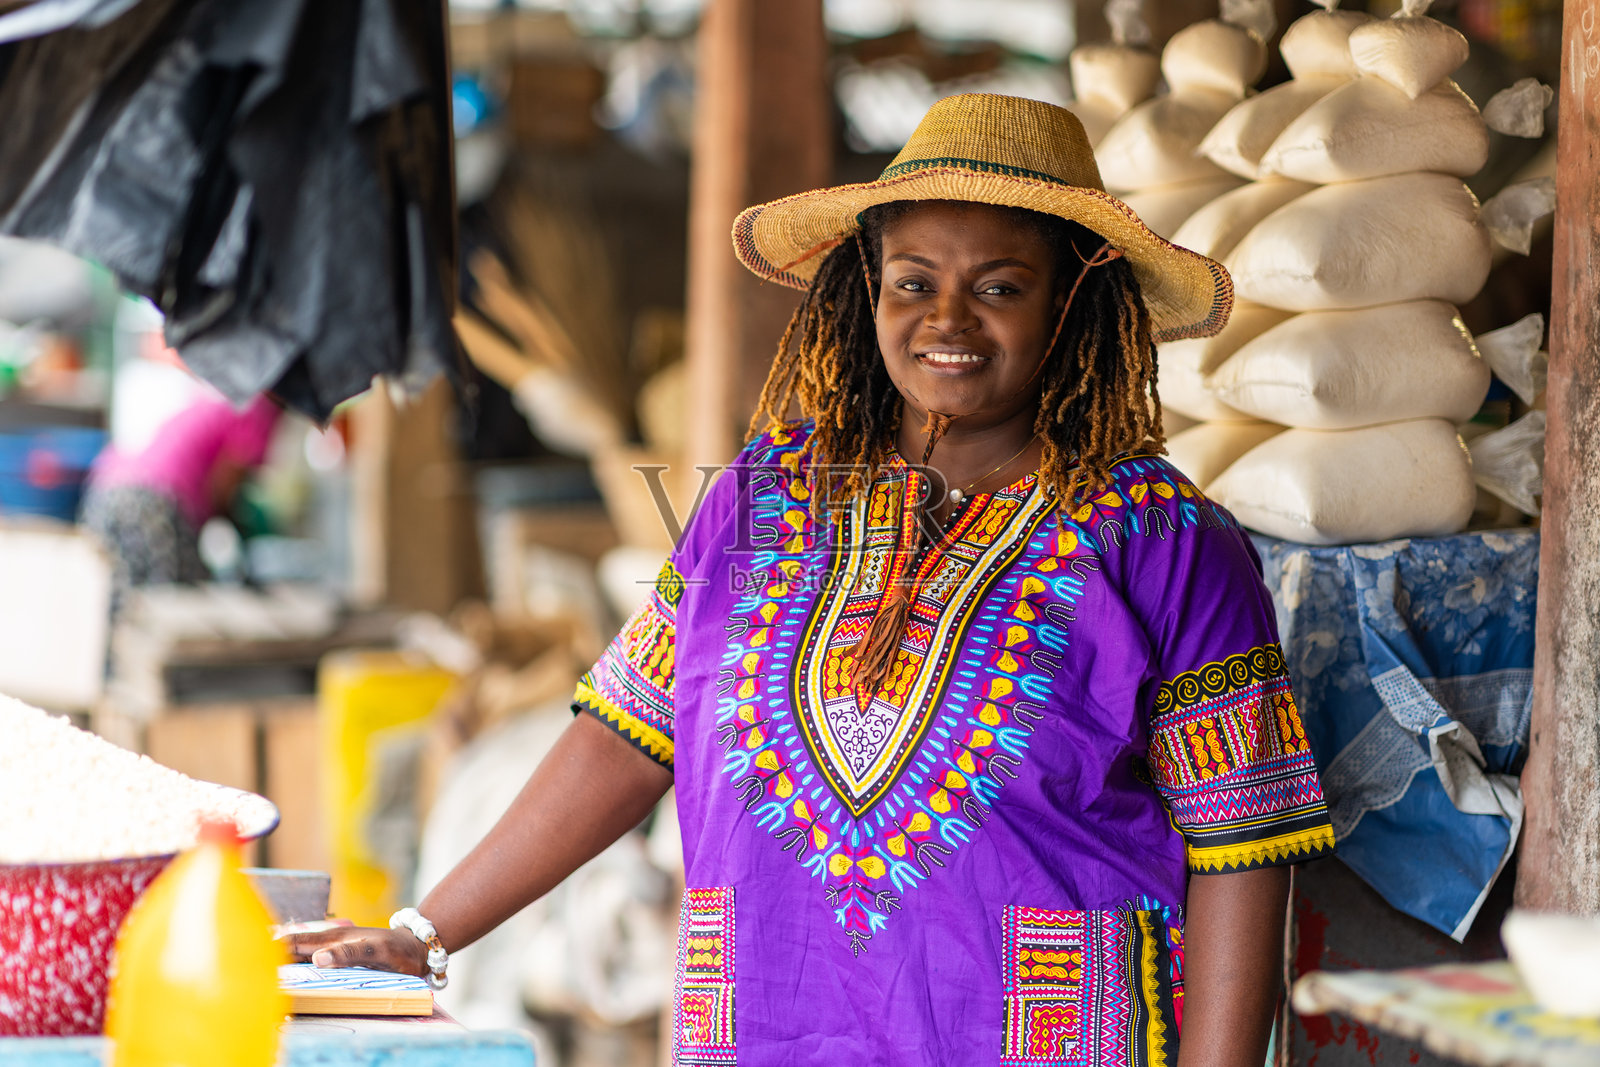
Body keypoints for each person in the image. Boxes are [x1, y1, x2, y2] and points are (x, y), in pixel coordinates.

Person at [292, 94, 1335, 1066]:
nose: (949, 319)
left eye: (1002, 286)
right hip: (767, 1033)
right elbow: (625, 730)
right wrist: (424, 933)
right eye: (913, 280)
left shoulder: (1169, 542)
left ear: (1075, 301)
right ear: (865, 288)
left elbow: (1246, 846)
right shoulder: (761, 494)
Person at [81, 392, 280, 607]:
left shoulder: (221, 397)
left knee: (120, 600)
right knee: (175, 601)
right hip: (150, 500)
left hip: (104, 491)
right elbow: (223, 488)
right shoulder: (257, 410)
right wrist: (236, 526)